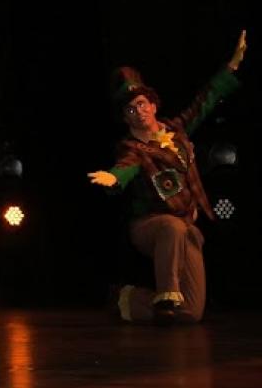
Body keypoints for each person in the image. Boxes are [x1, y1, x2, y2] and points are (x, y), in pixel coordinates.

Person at [88, 30, 245, 324]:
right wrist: (114, 178)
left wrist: (232, 65)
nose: (138, 111)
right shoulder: (132, 147)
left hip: (186, 226)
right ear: (126, 118)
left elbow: (205, 101)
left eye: (142, 104)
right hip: (150, 225)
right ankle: (167, 293)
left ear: (153, 105)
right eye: (130, 109)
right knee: (170, 227)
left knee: (191, 312)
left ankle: (127, 299)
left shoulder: (176, 130)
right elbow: (128, 165)